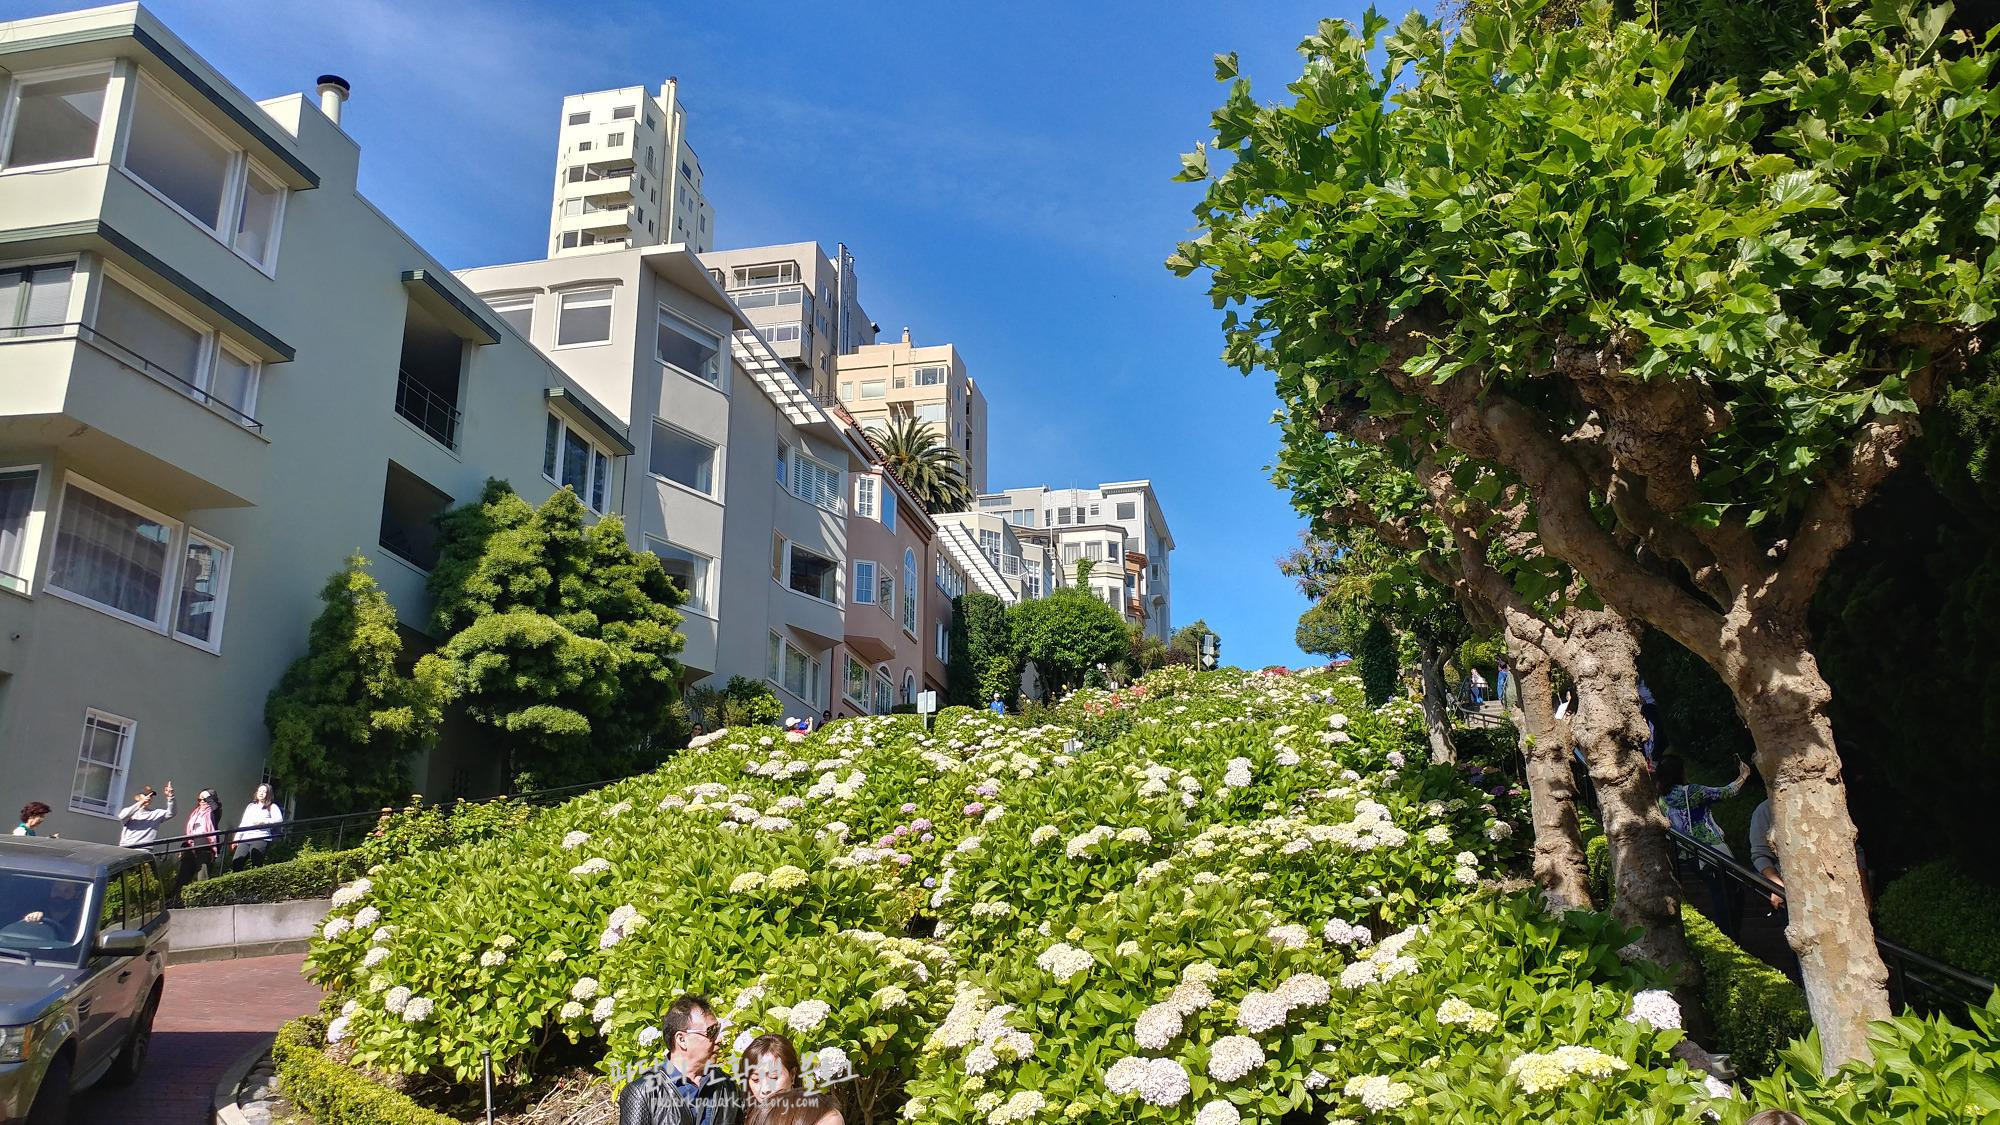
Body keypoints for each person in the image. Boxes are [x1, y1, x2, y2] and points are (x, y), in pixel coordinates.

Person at [1658, 755, 1751, 936]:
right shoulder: (1692, 791)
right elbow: (1726, 792)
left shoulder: (1662, 798)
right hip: (1711, 849)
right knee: (1729, 895)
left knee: (1720, 893)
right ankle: (1730, 936)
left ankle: (1729, 935)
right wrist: (1744, 775)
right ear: (1680, 772)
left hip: (1689, 854)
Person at [617, 994, 742, 1125]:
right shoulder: (643, 1093)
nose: (719, 1039)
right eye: (711, 1032)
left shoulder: (726, 1086)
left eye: (718, 1030)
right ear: (681, 1039)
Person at [176, 789, 223, 898]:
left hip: (204, 847)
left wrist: (208, 796)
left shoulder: (213, 812)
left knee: (202, 876)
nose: (202, 801)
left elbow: (215, 806)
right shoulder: (195, 813)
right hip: (190, 845)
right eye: (200, 799)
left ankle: (203, 900)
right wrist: (184, 847)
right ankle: (176, 900)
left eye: (205, 799)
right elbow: (189, 832)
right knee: (183, 875)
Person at [231, 783, 285, 871]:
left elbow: (279, 820)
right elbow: (244, 823)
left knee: (256, 864)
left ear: (268, 794)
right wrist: (237, 838)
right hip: (246, 837)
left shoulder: (272, 806)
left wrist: (264, 822)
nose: (261, 793)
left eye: (264, 791)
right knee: (237, 862)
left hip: (261, 837)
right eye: (259, 791)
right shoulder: (251, 806)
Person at [117, 783, 174, 848]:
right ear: (137, 797)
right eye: (146, 795)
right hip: (126, 848)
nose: (149, 797)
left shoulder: (155, 813)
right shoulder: (129, 812)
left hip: (144, 851)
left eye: (151, 795)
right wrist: (141, 802)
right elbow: (121, 816)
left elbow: (171, 813)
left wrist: (171, 797)